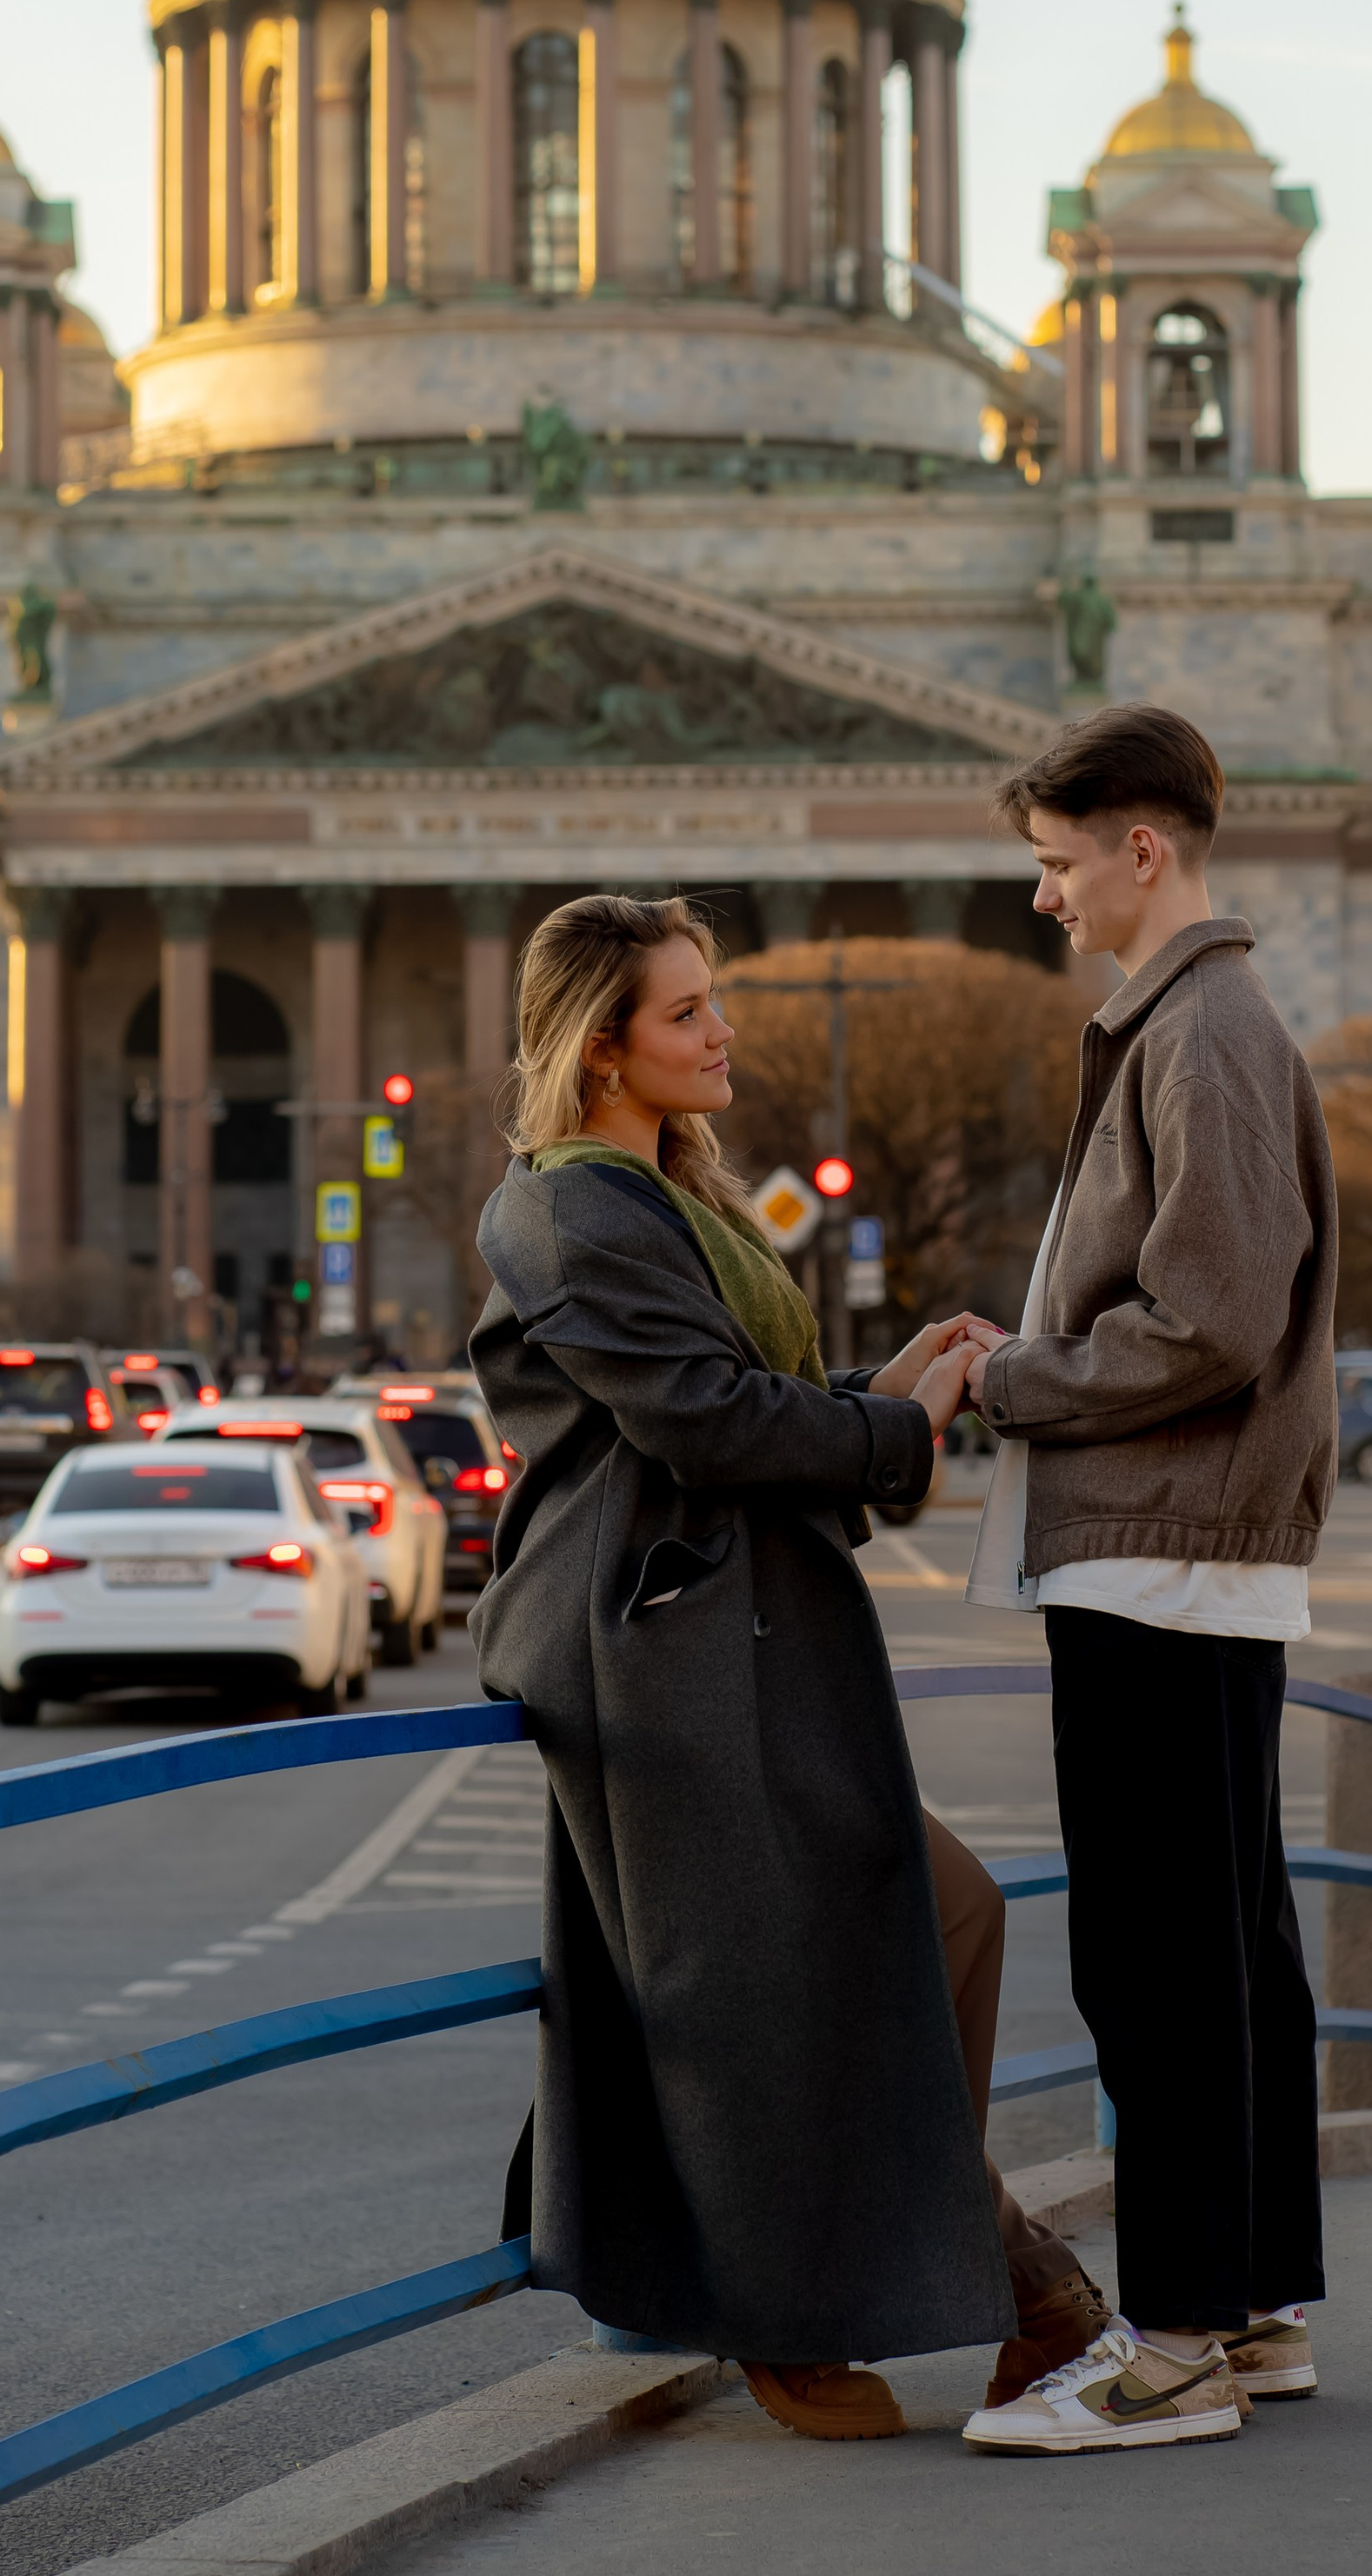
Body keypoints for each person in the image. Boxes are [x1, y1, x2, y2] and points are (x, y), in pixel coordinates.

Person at [468, 892, 1106, 2442]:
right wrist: (898, 1431)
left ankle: (962, 2271)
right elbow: (702, 1423)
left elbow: (739, 1399)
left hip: (735, 1632)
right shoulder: (566, 1208)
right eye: (686, 1012)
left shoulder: (668, 1197)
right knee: (747, 2005)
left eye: (714, 999)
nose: (720, 1029)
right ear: (601, 1051)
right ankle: (830, 2316)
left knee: (926, 1918)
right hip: (657, 1658)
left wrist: (882, 1393)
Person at [957, 704, 1338, 2458]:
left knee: (1160, 1957)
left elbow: (1207, 1318)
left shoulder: (1197, 1032)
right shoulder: (1192, 1022)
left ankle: (1172, 2341)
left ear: (1139, 847)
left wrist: (1010, 1376)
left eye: (1051, 863)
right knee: (1226, 1942)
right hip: (1186, 1550)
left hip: (1159, 1546)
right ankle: (1243, 2311)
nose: (1041, 900)